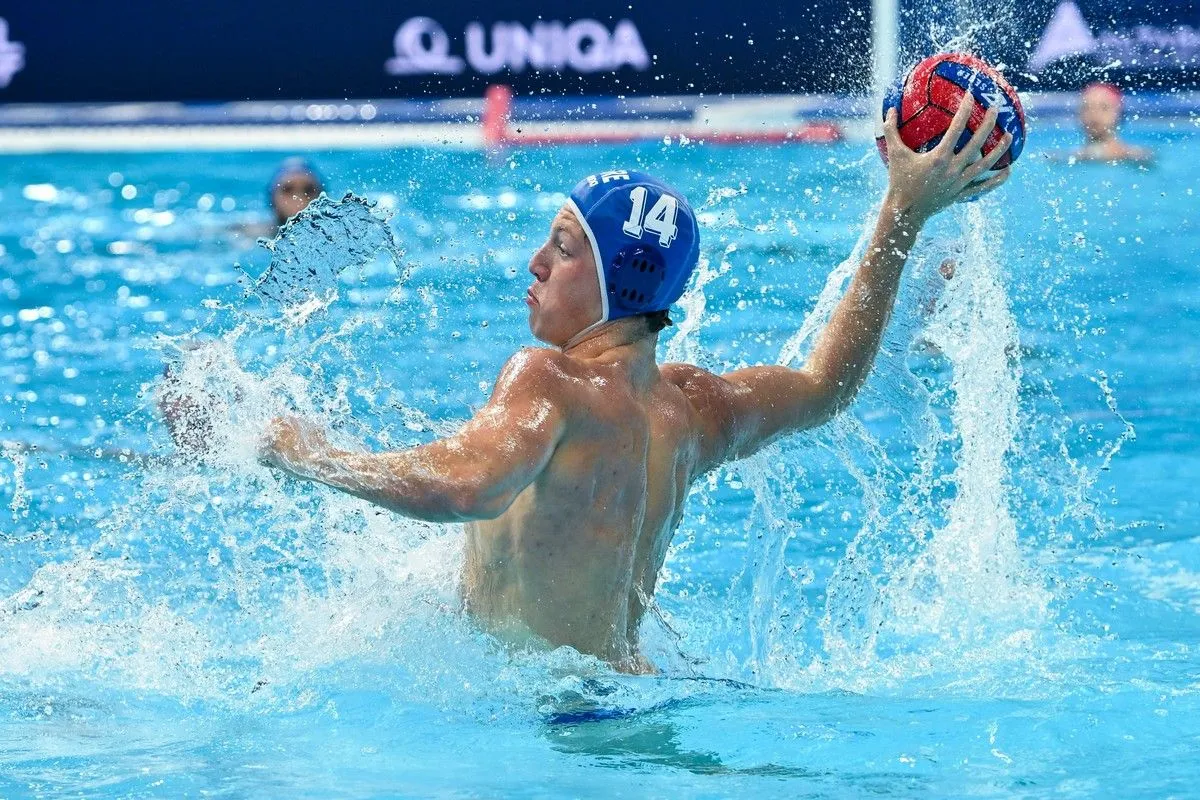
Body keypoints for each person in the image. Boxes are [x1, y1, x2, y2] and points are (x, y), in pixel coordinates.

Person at [257, 97, 1013, 673]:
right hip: (632, 691)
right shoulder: (691, 409)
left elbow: (465, 489)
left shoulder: (548, 381)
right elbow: (827, 385)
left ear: (620, 281)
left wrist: (298, 449)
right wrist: (901, 213)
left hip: (542, 722)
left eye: (563, 248)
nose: (535, 264)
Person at [1073, 83, 1153, 164]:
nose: (1094, 114)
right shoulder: (1072, 158)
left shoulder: (1137, 157)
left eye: (1104, 108)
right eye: (1087, 108)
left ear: (1119, 114)